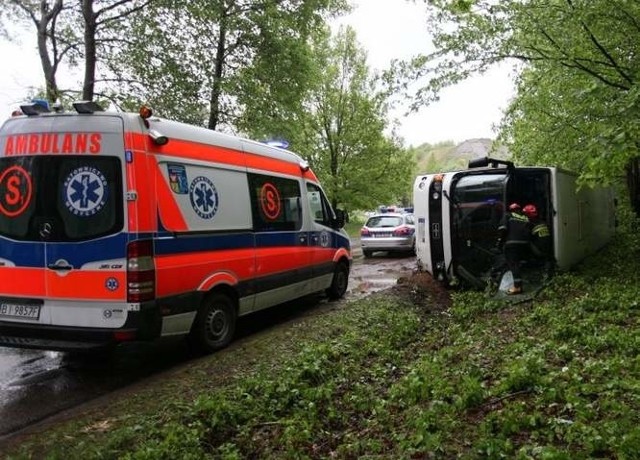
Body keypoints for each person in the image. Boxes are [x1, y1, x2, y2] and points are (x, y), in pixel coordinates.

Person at [496, 202, 531, 294]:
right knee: (518, 263)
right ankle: (521, 281)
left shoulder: (508, 215)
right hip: (525, 245)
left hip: (512, 244)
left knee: (513, 264)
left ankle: (517, 287)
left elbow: (503, 229)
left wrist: (499, 242)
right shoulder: (525, 218)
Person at [522, 204, 555, 279]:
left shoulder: (530, 225)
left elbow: (526, 237)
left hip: (539, 252)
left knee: (526, 242)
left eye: (525, 215)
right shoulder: (544, 223)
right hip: (549, 252)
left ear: (528, 215)